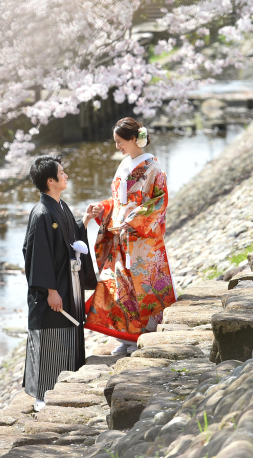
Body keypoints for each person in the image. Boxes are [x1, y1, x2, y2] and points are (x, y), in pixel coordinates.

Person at [82, 118, 176, 355]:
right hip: (119, 237)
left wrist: (134, 218)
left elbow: (159, 202)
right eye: (115, 142)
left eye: (120, 141)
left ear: (134, 139)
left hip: (141, 240)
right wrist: (103, 208)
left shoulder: (153, 168)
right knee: (118, 287)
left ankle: (141, 337)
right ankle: (125, 337)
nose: (117, 146)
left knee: (140, 289)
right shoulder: (124, 165)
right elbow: (117, 201)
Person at [22, 155, 97, 411]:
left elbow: (69, 236)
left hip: (68, 281)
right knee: (50, 338)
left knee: (68, 332)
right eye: (62, 173)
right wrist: (50, 290)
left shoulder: (60, 206)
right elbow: (37, 255)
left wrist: (84, 221)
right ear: (50, 180)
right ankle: (42, 395)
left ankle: (66, 387)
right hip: (52, 289)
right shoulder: (41, 213)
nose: (66, 176)